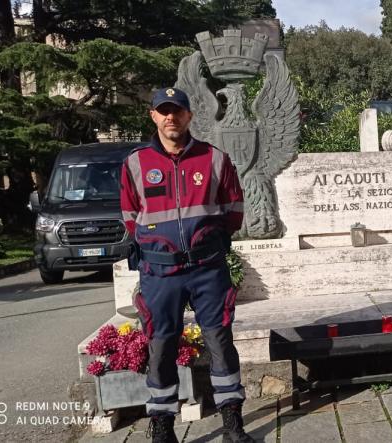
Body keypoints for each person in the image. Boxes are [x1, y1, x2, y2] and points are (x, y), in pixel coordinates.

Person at [120, 88, 253, 443]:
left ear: (189, 116)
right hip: (159, 273)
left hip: (208, 268)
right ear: (153, 116)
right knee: (161, 345)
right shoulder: (135, 162)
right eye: (163, 112)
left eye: (177, 111)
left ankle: (232, 423)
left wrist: (205, 238)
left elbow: (234, 210)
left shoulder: (214, 159)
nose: (171, 118)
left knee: (220, 341)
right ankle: (162, 425)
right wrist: (158, 244)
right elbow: (129, 215)